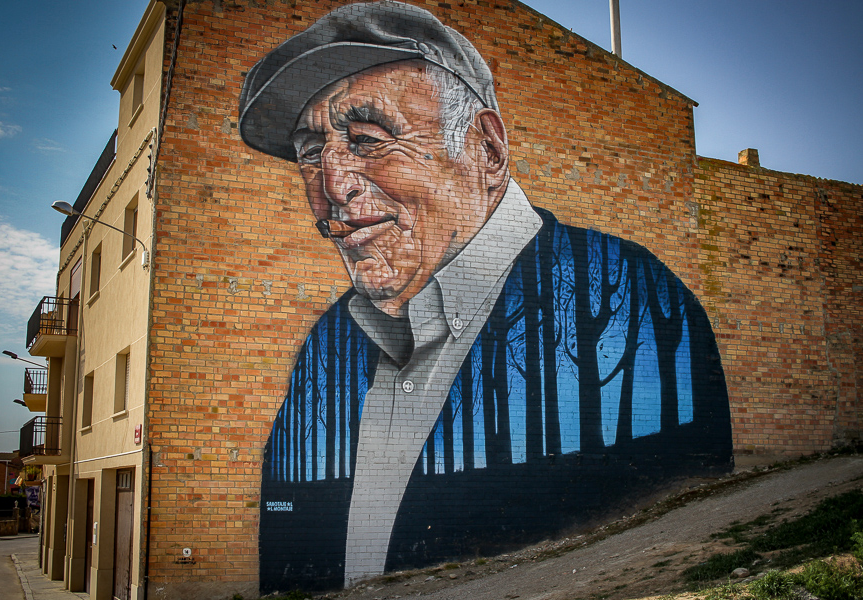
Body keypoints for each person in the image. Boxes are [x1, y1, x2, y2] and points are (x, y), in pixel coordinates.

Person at [238, 1, 732, 592]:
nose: (332, 186)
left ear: (487, 153)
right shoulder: (326, 350)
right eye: (310, 152)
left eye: (369, 138)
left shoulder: (635, 305)